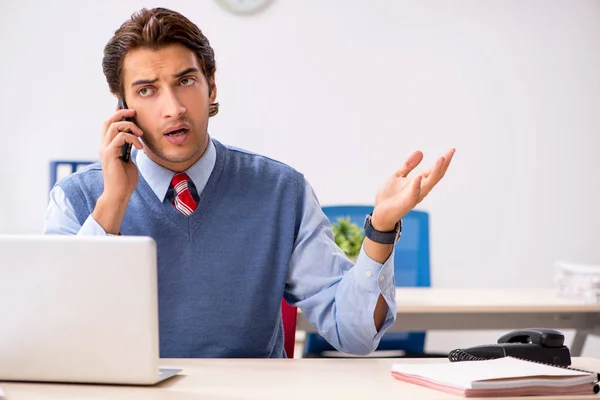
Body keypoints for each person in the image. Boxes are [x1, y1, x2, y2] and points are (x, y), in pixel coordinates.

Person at [44, 7, 455, 358]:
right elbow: (60, 334)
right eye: (147, 90)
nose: (172, 108)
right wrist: (113, 203)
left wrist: (379, 230)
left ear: (211, 87)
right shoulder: (76, 199)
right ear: (122, 107)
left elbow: (354, 334)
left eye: (186, 81)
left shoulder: (281, 192)